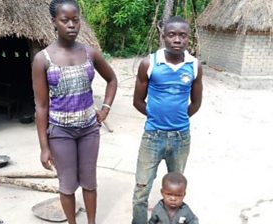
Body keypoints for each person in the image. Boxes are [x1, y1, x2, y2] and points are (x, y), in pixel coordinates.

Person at [32, 0, 117, 223]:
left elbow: (112, 79)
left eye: (76, 20)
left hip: (89, 128)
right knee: (67, 184)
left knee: (89, 182)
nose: (71, 25)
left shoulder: (90, 53)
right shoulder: (43, 59)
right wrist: (44, 146)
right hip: (60, 132)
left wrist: (105, 109)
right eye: (65, 20)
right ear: (54, 22)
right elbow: (41, 106)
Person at [132, 16, 203, 224]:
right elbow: (137, 101)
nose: (177, 40)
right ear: (163, 37)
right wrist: (158, 117)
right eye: (172, 35)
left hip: (181, 138)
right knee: (141, 188)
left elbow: (196, 103)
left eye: (183, 35)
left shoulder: (194, 66)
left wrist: (177, 120)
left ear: (189, 38)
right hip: (153, 136)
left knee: (176, 187)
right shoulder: (149, 63)